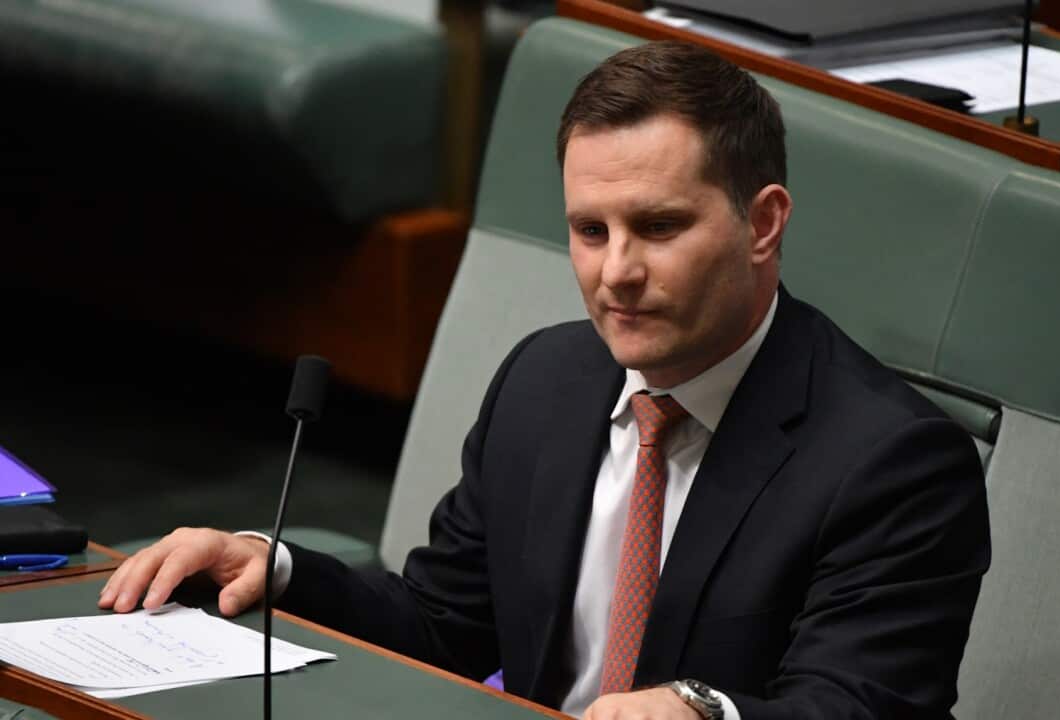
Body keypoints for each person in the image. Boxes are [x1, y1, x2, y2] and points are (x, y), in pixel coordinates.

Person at [99, 41, 990, 719]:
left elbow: (852, 707)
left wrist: (701, 711)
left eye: (659, 226)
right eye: (590, 231)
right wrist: (277, 567)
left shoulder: (894, 463)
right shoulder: (547, 380)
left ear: (763, 223)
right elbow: (444, 627)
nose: (617, 272)